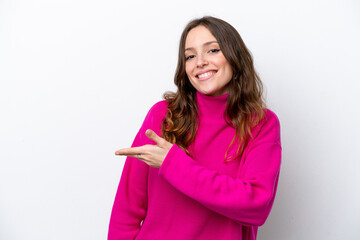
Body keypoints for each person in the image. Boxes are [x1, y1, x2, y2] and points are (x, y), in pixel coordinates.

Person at [108, 16, 281, 240]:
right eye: (190, 56)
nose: (200, 62)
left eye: (212, 50)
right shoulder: (162, 116)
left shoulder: (261, 124)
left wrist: (173, 164)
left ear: (235, 57)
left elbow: (255, 205)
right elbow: (127, 209)